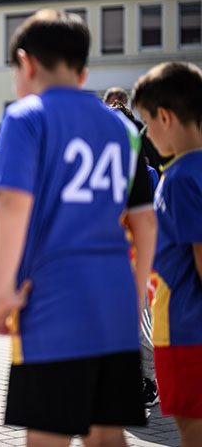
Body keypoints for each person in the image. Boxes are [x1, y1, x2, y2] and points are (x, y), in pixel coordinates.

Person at [0, 9, 156, 446]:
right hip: (115, 299)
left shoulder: (26, 117)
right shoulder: (122, 127)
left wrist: (2, 292)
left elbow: (12, 208)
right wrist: (134, 299)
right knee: (107, 435)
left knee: (48, 436)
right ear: (84, 69)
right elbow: (145, 222)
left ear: (26, 63)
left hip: (52, 298)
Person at [132, 62, 202, 446]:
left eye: (146, 121)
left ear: (165, 116)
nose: (146, 133)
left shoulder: (179, 180)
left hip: (183, 330)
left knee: (191, 429)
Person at [108, 100, 160, 408]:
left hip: (136, 261)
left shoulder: (147, 173)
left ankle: (149, 381)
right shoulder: (96, 169)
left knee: (139, 324)